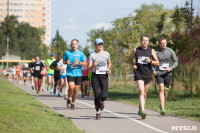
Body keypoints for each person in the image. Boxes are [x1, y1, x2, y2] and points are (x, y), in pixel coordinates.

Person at [129, 35, 159, 119]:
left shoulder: (151, 51)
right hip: (139, 73)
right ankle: (143, 111)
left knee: (145, 93)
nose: (145, 42)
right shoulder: (136, 50)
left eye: (146, 40)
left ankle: (140, 106)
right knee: (141, 91)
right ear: (140, 41)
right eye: (143, 40)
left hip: (148, 74)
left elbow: (157, 62)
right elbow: (130, 59)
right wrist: (133, 65)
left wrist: (151, 61)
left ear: (148, 42)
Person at [153, 37, 178, 115]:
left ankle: (162, 104)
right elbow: (152, 62)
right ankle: (163, 109)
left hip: (168, 73)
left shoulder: (170, 51)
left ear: (166, 43)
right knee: (161, 89)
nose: (163, 44)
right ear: (159, 44)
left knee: (165, 92)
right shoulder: (156, 52)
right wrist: (153, 70)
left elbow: (176, 61)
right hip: (159, 73)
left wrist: (170, 68)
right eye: (162, 43)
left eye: (164, 43)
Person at [88, 38, 111, 120]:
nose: (100, 46)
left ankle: (102, 101)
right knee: (97, 95)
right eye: (98, 44)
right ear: (95, 45)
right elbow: (89, 68)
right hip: (95, 76)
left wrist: (109, 69)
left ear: (103, 45)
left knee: (104, 95)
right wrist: (94, 65)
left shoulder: (107, 54)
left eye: (101, 44)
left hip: (104, 75)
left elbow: (109, 62)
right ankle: (97, 112)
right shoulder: (92, 55)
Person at [63, 39, 87, 110]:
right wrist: (66, 62)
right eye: (73, 44)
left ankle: (72, 103)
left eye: (75, 44)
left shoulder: (81, 53)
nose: (74, 45)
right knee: (71, 87)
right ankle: (69, 98)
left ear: (77, 45)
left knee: (76, 90)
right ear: (71, 45)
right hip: (70, 73)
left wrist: (79, 62)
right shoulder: (67, 53)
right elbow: (64, 61)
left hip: (78, 74)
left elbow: (85, 63)